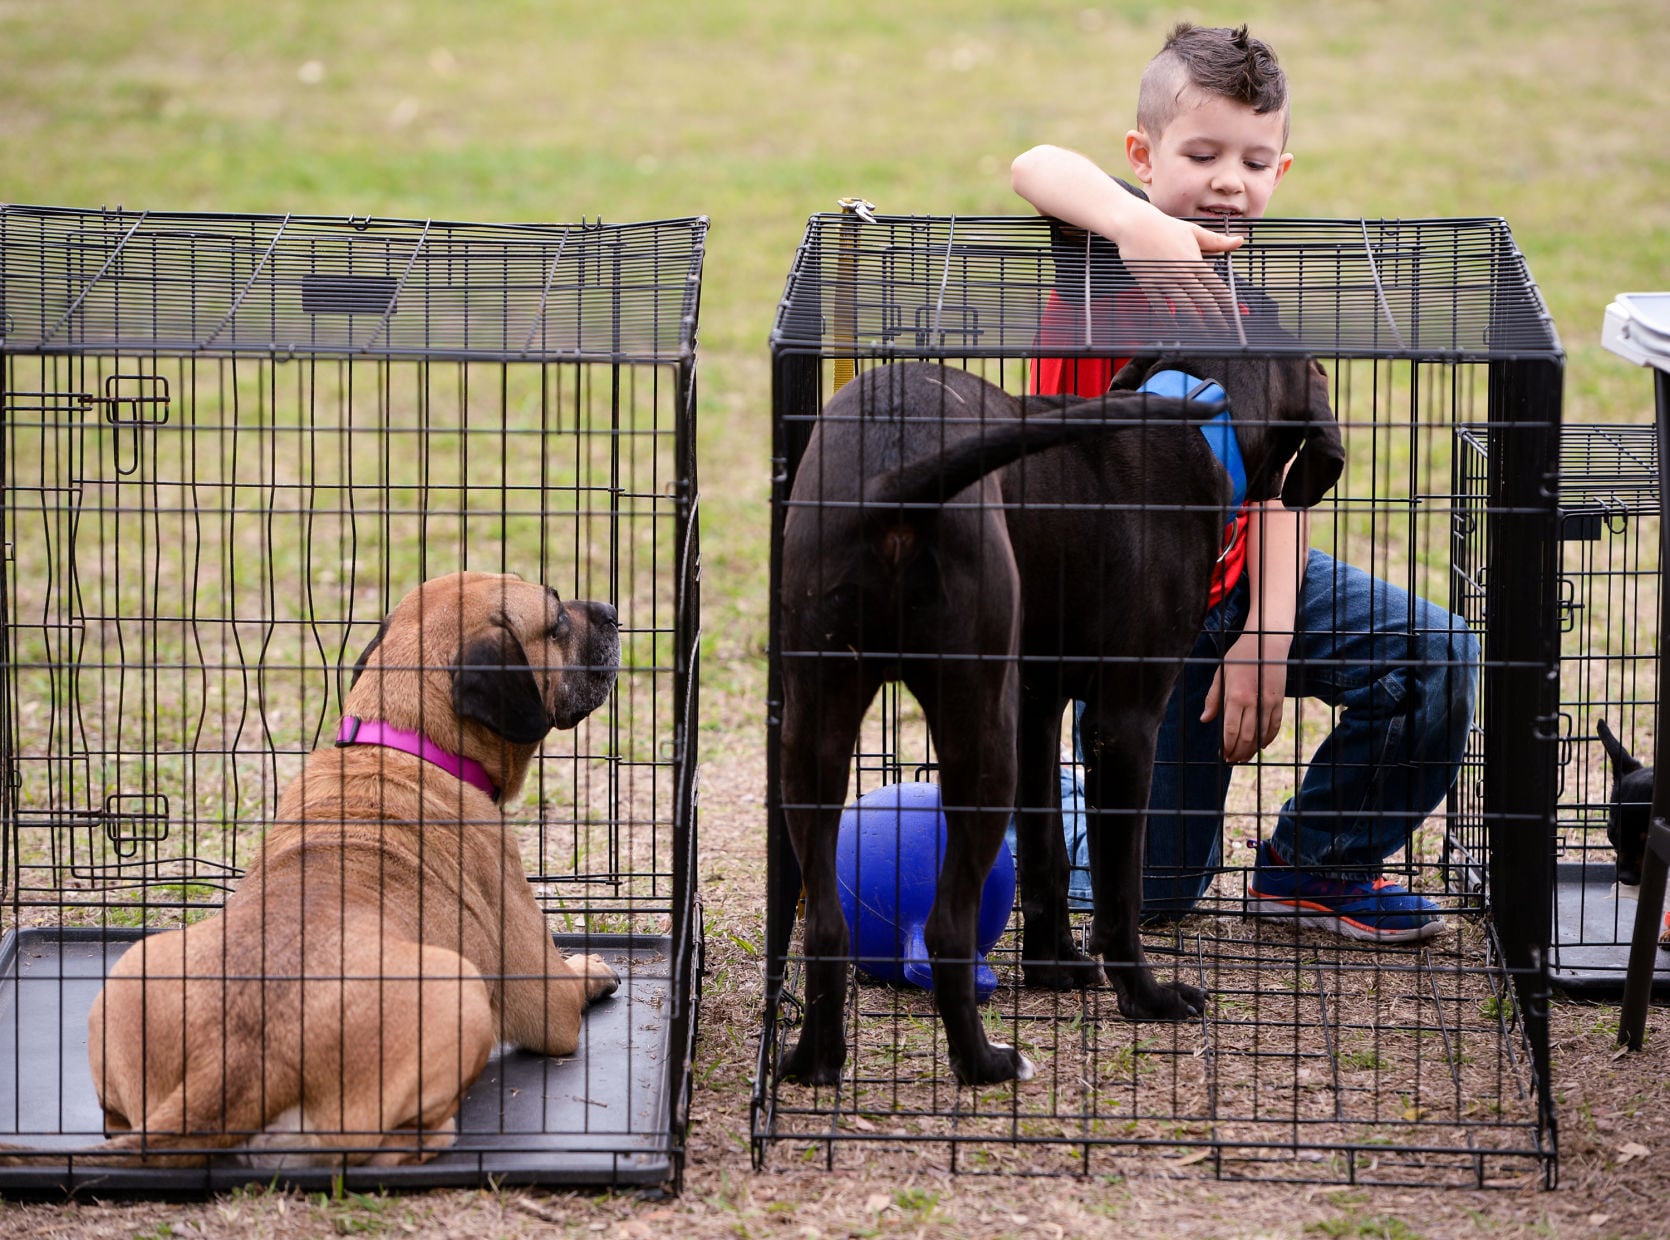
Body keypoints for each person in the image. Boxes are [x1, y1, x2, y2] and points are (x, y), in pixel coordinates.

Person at [1010, 22, 1478, 943]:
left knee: (1436, 654)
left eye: (1254, 162)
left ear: (1281, 172)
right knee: (1154, 894)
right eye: (1202, 155)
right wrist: (1136, 224)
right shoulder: (1103, 243)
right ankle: (1049, 800)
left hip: (1224, 588)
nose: (1229, 181)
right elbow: (1035, 163)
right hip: (1114, 611)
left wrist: (1268, 630)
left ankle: (1317, 864)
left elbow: (1280, 485)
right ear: (1143, 156)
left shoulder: (1253, 309)